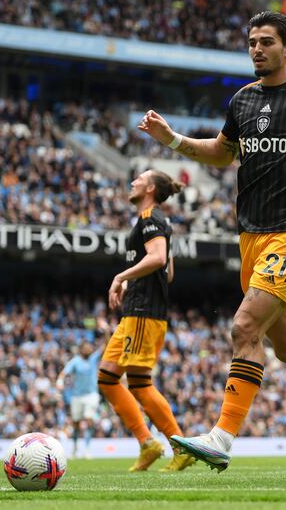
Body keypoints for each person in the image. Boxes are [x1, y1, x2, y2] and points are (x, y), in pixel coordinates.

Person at [137, 11, 286, 471]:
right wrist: (173, 141)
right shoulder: (242, 101)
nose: (256, 49)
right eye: (251, 42)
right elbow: (224, 154)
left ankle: (222, 438)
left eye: (266, 41)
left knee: (244, 327)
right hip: (251, 237)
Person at [98, 169, 194, 472]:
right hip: (137, 312)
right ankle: (148, 443)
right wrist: (132, 283)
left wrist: (120, 277)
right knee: (107, 378)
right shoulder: (152, 221)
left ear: (150, 188)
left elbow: (158, 260)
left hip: (144, 314)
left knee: (139, 384)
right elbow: (168, 272)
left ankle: (180, 446)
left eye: (138, 178)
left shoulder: (151, 218)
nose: (133, 181)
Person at [57, 341, 102, 458]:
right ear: (81, 350)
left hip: (91, 395)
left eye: (90, 348)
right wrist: (60, 381)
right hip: (77, 396)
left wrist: (107, 331)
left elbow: (105, 347)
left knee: (89, 419)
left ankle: (87, 448)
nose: (89, 350)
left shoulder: (93, 358)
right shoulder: (75, 361)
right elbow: (64, 372)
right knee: (76, 423)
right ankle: (75, 447)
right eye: (86, 348)